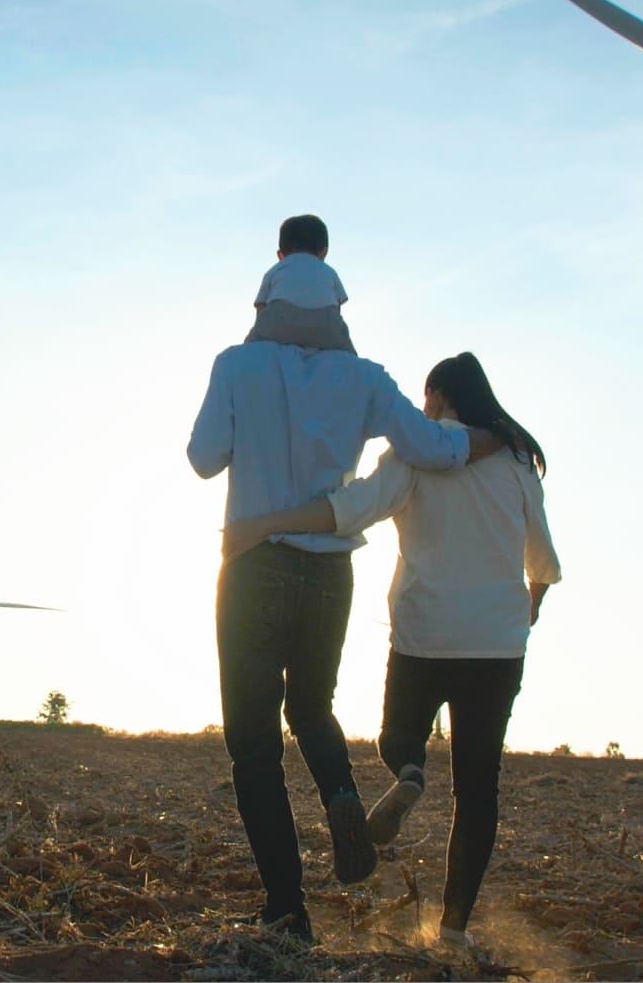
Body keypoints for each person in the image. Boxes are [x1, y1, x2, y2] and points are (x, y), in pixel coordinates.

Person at [186, 215, 503, 946]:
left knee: (254, 743)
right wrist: (496, 437)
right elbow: (432, 446)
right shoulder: (366, 378)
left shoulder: (235, 364)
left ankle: (288, 911)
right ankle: (342, 794)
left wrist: (252, 431)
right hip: (330, 573)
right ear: (334, 284)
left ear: (272, 270)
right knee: (313, 707)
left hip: (255, 568)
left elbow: (204, 459)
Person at [222, 351, 561, 951]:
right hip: (498, 643)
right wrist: (529, 603)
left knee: (398, 734)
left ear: (434, 397)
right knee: (479, 789)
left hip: (426, 633)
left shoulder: (412, 454)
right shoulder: (516, 460)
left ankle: (409, 773)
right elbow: (542, 558)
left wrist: (265, 523)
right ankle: (454, 930)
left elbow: (347, 511)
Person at [244, 218, 356, 353]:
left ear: (280, 255)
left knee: (249, 348)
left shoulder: (274, 270)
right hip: (324, 323)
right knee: (348, 353)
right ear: (324, 252)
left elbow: (261, 305)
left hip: (280, 320)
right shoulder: (329, 271)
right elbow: (337, 305)